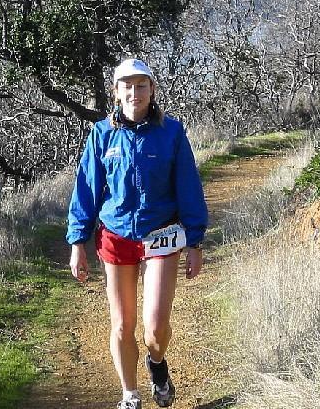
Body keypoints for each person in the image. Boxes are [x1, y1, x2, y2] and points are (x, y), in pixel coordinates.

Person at [66, 58, 208, 409]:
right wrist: (77, 242)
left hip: (161, 233)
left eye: (141, 85)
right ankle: (130, 395)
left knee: (156, 327)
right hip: (115, 235)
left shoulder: (172, 133)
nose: (134, 92)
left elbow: (188, 186)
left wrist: (195, 240)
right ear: (116, 92)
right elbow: (87, 189)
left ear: (152, 90)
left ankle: (157, 365)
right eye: (126, 86)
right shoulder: (101, 135)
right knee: (122, 324)